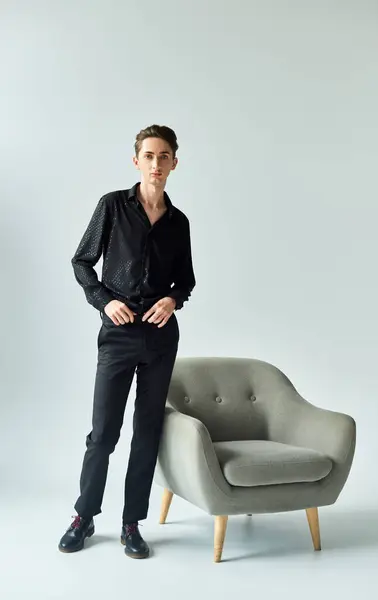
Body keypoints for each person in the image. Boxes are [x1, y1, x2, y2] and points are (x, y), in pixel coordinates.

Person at [58, 125, 196, 559]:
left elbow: (186, 279)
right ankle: (84, 516)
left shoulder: (179, 222)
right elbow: (82, 262)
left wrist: (173, 299)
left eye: (164, 157)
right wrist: (104, 302)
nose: (156, 164)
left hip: (159, 339)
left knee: (147, 432)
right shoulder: (113, 207)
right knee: (103, 433)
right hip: (118, 335)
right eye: (149, 156)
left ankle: (131, 522)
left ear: (175, 163)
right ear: (136, 160)